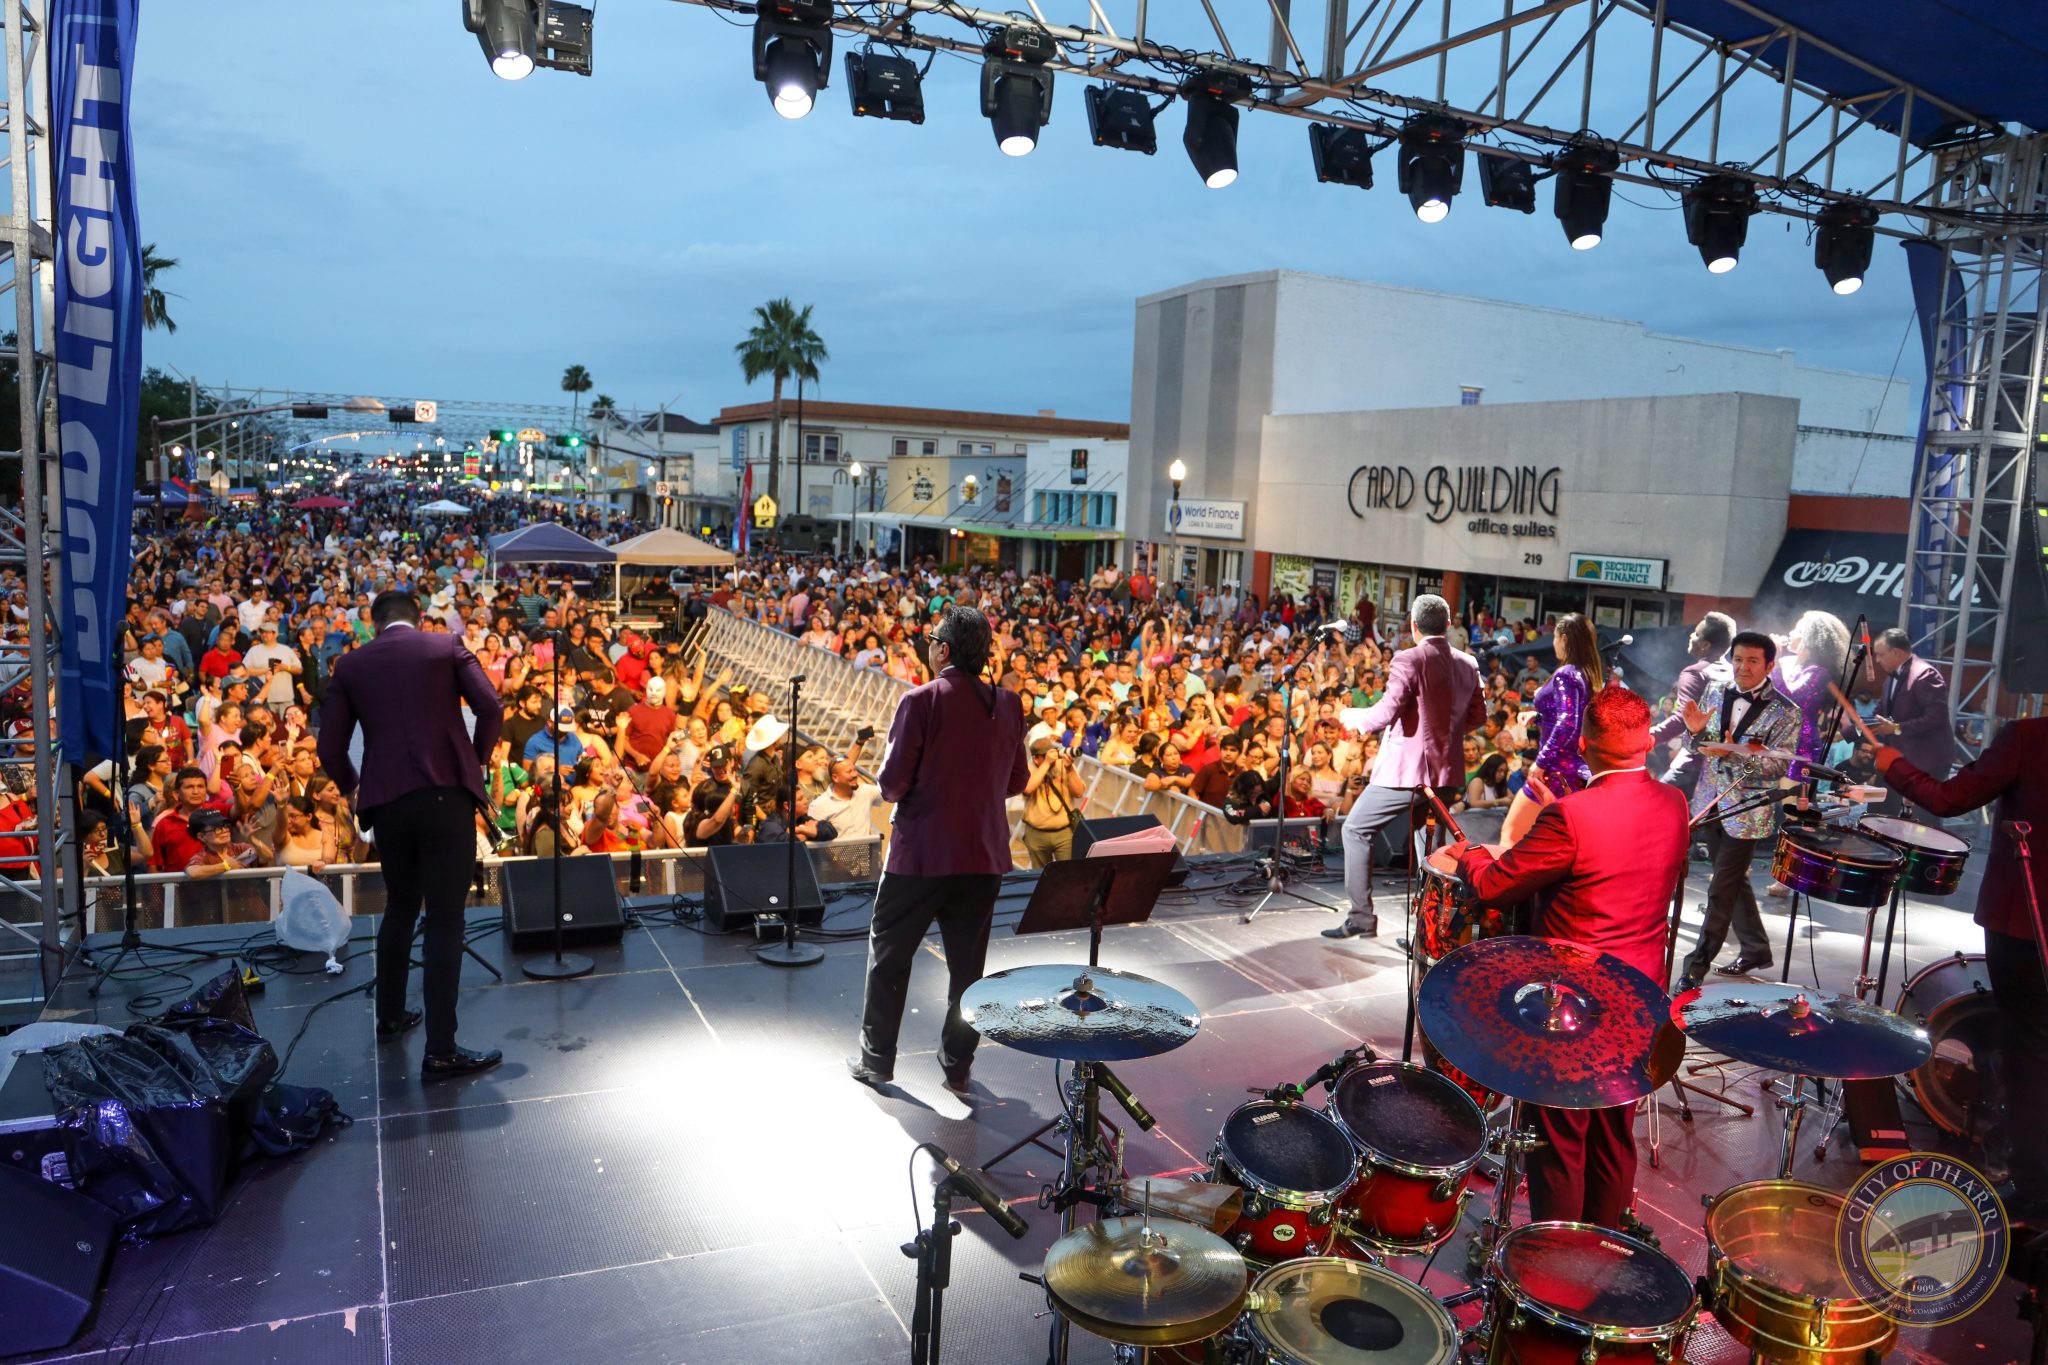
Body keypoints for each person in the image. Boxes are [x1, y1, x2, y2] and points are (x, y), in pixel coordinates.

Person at [1446, 686, 1688, 1227]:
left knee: (1559, 1140)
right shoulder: (1675, 804)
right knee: (1611, 1133)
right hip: (1644, 1000)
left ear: (1583, 745)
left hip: (1574, 1008)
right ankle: (1608, 1245)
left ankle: (1554, 1261)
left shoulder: (1571, 818)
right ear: (1648, 742)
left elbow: (1493, 886)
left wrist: (1470, 854)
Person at [318, 590, 505, 1082]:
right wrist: (477, 760)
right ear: (418, 618)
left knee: (401, 905)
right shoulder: (445, 646)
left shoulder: (351, 666)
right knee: (445, 919)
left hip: (388, 802)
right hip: (446, 794)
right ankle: (441, 1051)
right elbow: (491, 708)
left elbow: (329, 747)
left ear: (373, 622)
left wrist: (354, 786)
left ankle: (390, 1016)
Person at [1869, 712, 2048, 1226]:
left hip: (2026, 921)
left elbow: (1949, 798)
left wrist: (1893, 765)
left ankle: (2033, 1185)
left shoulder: (2030, 736)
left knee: (2031, 1047)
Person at [851, 605, 1028, 1099]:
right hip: (984, 858)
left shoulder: (921, 700)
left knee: (889, 956)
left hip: (920, 856)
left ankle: (876, 1062)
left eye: (931, 640)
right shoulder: (1010, 704)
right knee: (967, 971)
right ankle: (957, 1068)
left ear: (943, 650)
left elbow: (890, 785)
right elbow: (1017, 780)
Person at [1326, 595, 1485, 939]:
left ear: (1413, 626)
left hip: (1407, 772)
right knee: (1431, 848)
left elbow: (1385, 713)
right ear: (1447, 625)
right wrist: (1444, 734)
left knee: (1355, 829)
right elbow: (1477, 717)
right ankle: (1430, 932)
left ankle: (1361, 918)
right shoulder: (1467, 663)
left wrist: (1352, 717)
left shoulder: (1408, 658)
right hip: (1446, 772)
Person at [1674, 631, 1801, 990]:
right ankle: (1757, 948)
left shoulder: (1787, 712)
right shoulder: (1715, 690)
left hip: (1747, 811)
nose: (1743, 667)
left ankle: (1695, 967)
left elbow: (1778, 768)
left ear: (1770, 665)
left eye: (1753, 661)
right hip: (1709, 801)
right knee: (1732, 883)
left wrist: (1732, 755)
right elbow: (1696, 743)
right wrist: (1696, 735)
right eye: (1739, 659)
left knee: (1720, 889)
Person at [1500, 613, 1601, 846]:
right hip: (1573, 770)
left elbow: (1567, 722)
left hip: (1553, 770)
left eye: (1554, 637)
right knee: (1552, 844)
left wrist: (1542, 761)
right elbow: (1572, 718)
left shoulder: (1565, 674)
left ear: (1564, 638)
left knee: (1512, 834)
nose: (1553, 642)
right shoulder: (1585, 673)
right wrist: (1539, 717)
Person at [1870, 627, 1959, 815]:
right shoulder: (1890, 679)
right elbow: (1879, 713)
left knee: (1923, 819)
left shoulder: (1925, 674)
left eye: (1880, 655)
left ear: (1897, 652)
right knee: (1880, 810)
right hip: (1898, 757)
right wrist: (1847, 731)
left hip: (1927, 759)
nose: (1877, 660)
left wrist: (1895, 728)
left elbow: (1936, 717)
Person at [1650, 611, 1735, 794]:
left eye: (1696, 633)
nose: (1691, 636)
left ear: (1705, 645)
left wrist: (1647, 738)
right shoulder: (1733, 673)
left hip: (1692, 765)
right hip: (1724, 770)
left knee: (1651, 805)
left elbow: (1683, 719)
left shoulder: (1695, 673)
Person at [1020, 735, 1086, 866]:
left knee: (1068, 873)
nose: (1053, 758)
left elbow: (1079, 792)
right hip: (1036, 834)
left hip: (1064, 833)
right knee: (1040, 875)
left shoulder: (1064, 765)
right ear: (1036, 758)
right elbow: (1027, 789)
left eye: (1053, 752)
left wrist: (1070, 769)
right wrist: (1046, 764)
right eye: (1046, 755)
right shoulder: (1028, 769)